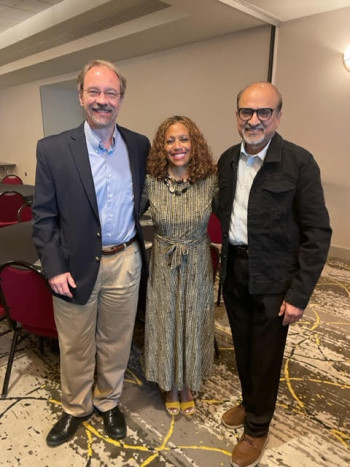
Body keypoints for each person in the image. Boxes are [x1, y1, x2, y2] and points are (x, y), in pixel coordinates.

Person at [32, 59, 150, 447]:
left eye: (110, 93)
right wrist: (53, 267)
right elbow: (44, 215)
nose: (102, 100)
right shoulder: (52, 149)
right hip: (74, 264)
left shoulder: (138, 145)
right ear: (81, 96)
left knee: (117, 341)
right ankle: (75, 408)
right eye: (94, 92)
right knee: (75, 345)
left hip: (125, 260)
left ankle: (108, 401)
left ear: (122, 99)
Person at [217, 82, 332, 467]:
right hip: (235, 270)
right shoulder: (228, 160)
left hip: (274, 277)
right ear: (237, 116)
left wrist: (299, 294)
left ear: (278, 117)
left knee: (266, 355)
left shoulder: (300, 163)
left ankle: (257, 427)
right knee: (244, 348)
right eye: (246, 112)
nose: (254, 120)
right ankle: (251, 402)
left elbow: (317, 234)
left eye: (263, 112)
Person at [142, 116, 217, 416]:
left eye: (183, 139)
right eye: (170, 140)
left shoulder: (210, 180)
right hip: (163, 262)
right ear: (162, 146)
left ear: (194, 143)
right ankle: (169, 384)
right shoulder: (151, 182)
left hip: (198, 261)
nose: (177, 146)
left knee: (193, 320)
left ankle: (187, 382)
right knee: (165, 321)